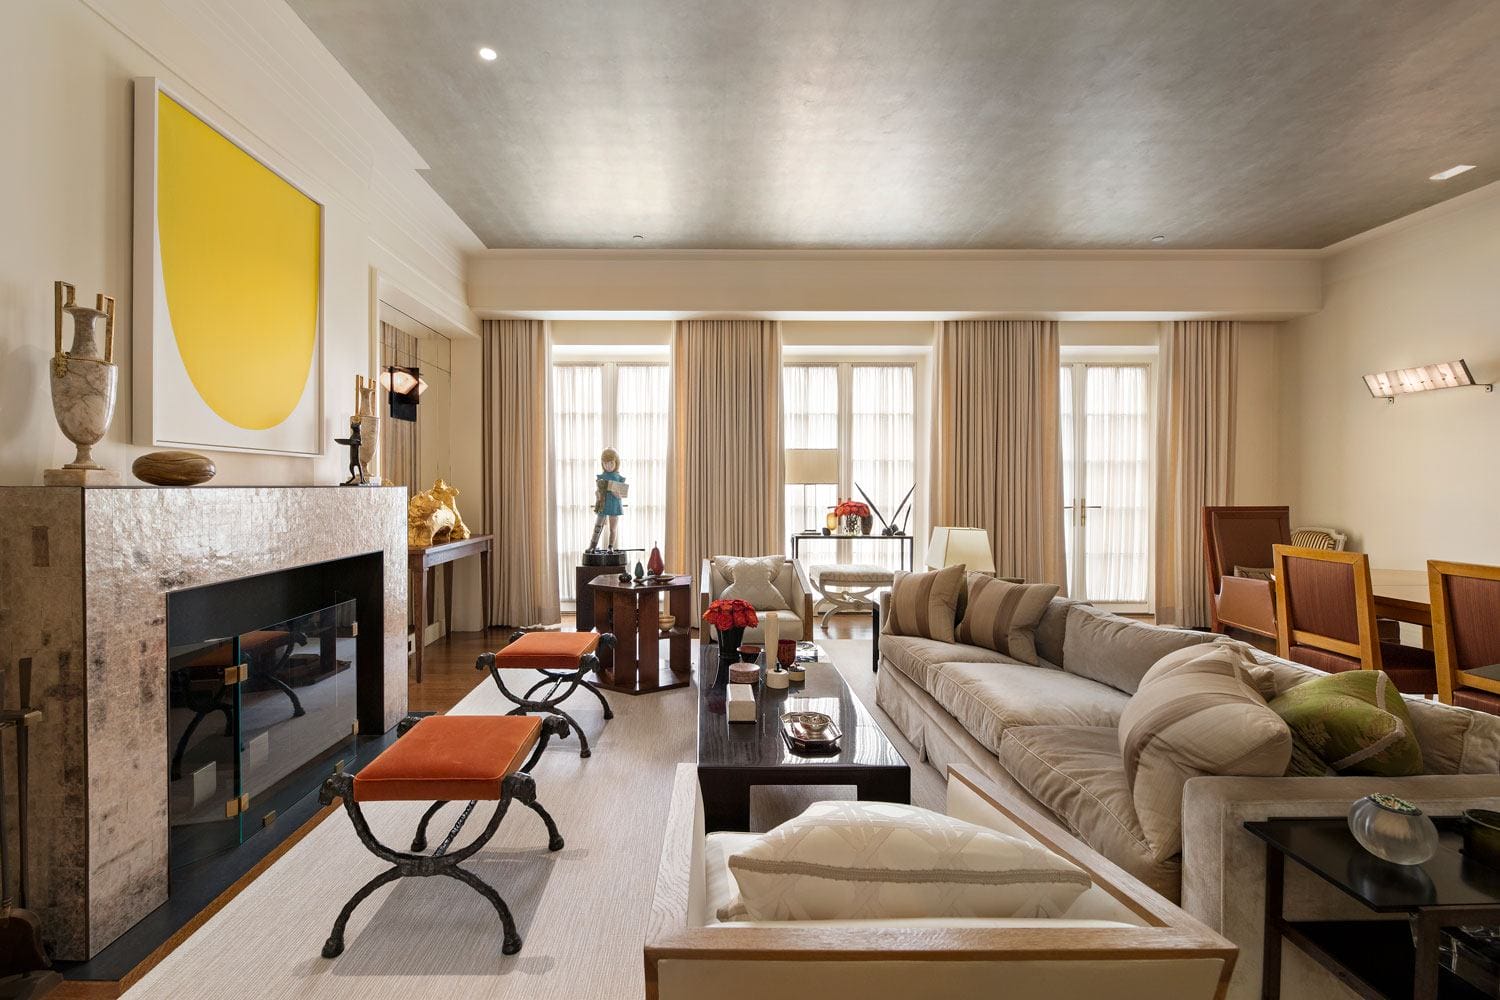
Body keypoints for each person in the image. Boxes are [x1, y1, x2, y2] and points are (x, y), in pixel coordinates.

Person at [588, 447, 628, 551]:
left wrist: (616, 493)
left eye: (611, 463)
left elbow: (622, 494)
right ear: (602, 463)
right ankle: (592, 546)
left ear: (616, 462)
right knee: (597, 527)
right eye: (605, 463)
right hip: (603, 504)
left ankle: (610, 547)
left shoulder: (619, 477)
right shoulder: (601, 476)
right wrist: (597, 494)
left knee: (613, 528)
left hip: (614, 505)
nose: (608, 466)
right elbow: (598, 491)